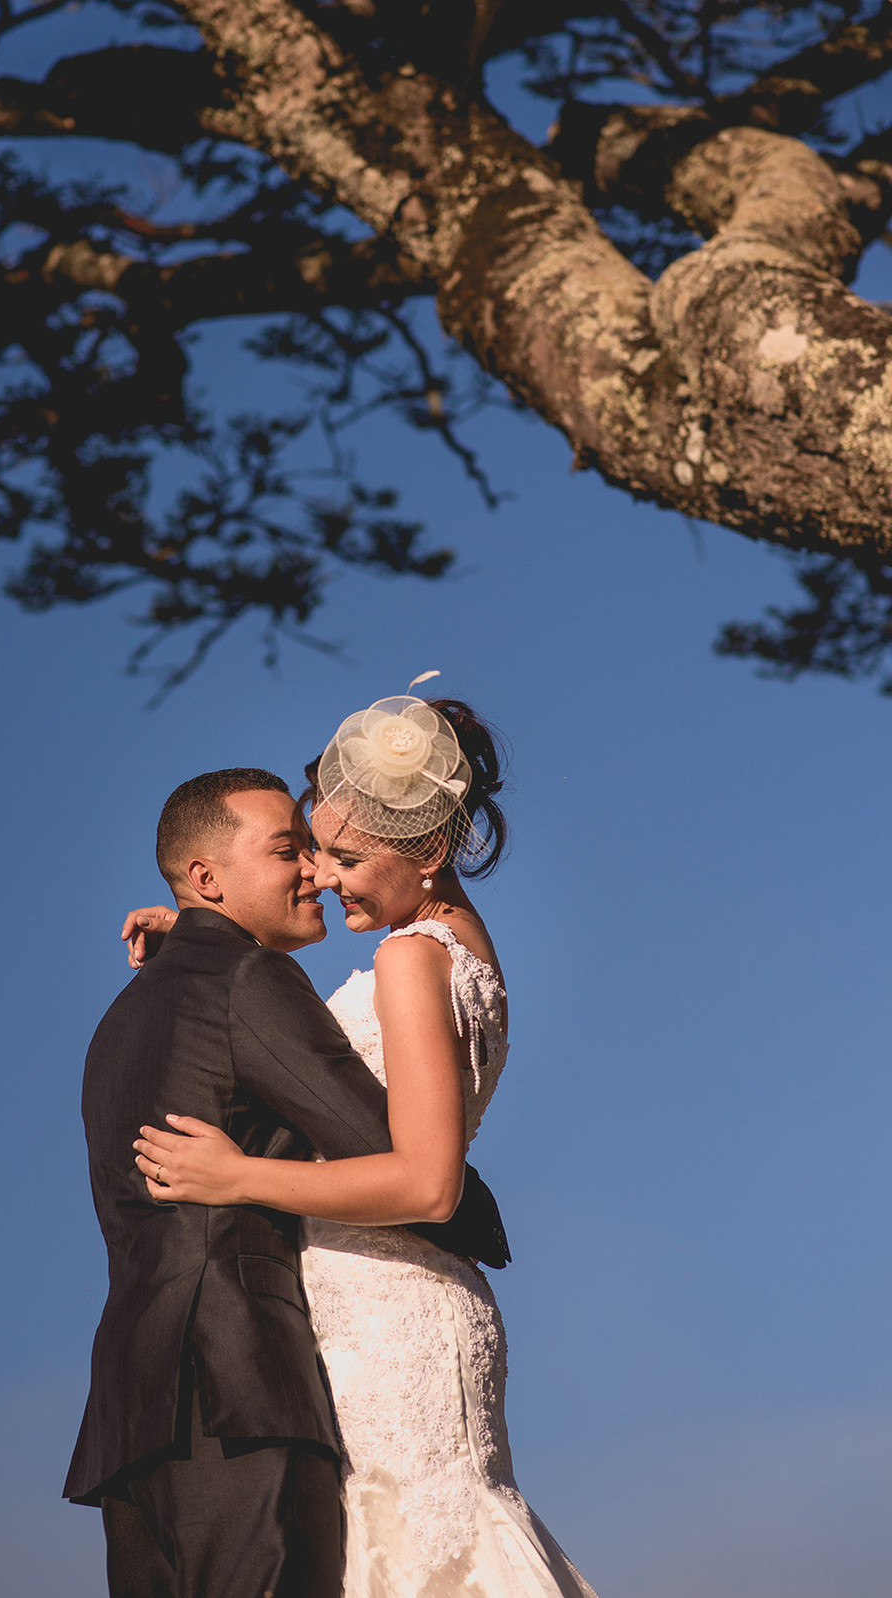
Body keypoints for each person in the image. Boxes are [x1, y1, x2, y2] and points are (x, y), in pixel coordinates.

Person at [133, 684, 600, 1598]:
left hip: (393, 1315)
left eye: (346, 858)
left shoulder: (408, 959)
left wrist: (236, 1176)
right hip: (393, 1302)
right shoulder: (461, 943)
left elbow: (427, 1185)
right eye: (312, 851)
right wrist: (203, 935)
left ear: (428, 853)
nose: (323, 876)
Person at [64, 765, 510, 1598]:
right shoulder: (251, 981)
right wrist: (478, 1216)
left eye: (325, 851)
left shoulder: (125, 1015)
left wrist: (200, 935)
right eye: (290, 850)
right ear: (207, 878)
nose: (317, 872)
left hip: (131, 1413)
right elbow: (412, 1170)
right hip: (241, 1390)